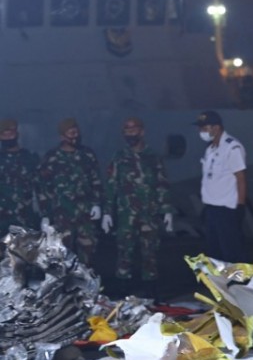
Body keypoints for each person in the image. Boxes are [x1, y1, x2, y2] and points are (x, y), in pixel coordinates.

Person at [101, 117, 175, 298]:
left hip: (149, 214)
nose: (130, 133)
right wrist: (107, 212)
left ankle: (150, 290)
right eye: (126, 130)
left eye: (133, 129)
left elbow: (162, 185)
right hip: (126, 214)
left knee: (150, 252)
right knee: (124, 251)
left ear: (142, 131)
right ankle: (123, 289)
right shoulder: (119, 157)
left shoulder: (153, 157)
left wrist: (167, 211)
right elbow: (111, 185)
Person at [37, 118, 102, 265]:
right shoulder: (51, 157)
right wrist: (45, 214)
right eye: (71, 133)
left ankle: (85, 278)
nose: (75, 136)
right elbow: (43, 187)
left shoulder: (87, 155)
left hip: (85, 214)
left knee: (88, 251)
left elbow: (96, 181)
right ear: (62, 136)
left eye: (76, 132)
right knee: (61, 255)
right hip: (61, 214)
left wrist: (97, 204)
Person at [195, 110, 247, 263]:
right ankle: (220, 279)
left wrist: (240, 206)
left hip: (227, 209)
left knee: (232, 251)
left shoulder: (232, 147)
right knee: (215, 252)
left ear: (216, 128)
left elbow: (240, 178)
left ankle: (238, 279)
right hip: (212, 208)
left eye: (204, 128)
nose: (201, 132)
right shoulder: (210, 149)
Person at [0, 119, 39, 234]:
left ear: (16, 134)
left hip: (26, 217)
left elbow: (40, 187)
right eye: (4, 135)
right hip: (3, 219)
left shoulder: (29, 158)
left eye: (11, 134)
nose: (8, 138)